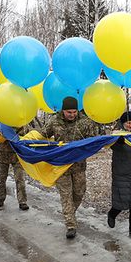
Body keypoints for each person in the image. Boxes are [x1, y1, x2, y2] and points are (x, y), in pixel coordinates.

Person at [41, 96, 100, 239]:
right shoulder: (54, 122)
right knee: (66, 195)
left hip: (79, 165)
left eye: (74, 112)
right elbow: (43, 135)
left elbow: (94, 139)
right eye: (69, 112)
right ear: (63, 111)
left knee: (79, 192)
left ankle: (70, 213)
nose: (72, 115)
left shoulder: (85, 122)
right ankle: (70, 225)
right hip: (61, 166)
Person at [0, 124, 33, 211]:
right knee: (1, 178)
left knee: (20, 178)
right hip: (2, 154)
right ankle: (0, 198)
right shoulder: (1, 124)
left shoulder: (23, 125)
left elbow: (28, 138)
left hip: (17, 155)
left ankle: (22, 201)